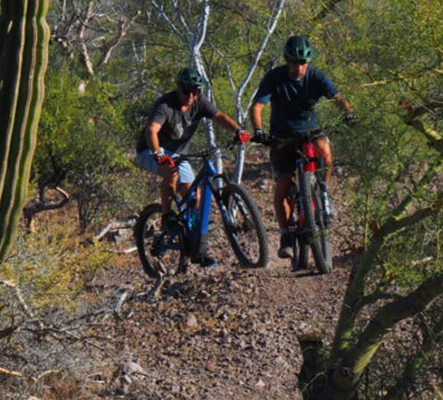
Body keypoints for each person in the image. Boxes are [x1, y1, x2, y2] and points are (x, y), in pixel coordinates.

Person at [247, 35, 355, 261]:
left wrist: (348, 113)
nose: (299, 67)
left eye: (303, 62)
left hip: (310, 131)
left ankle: (323, 192)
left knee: (325, 150)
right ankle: (286, 234)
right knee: (283, 185)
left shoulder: (316, 76)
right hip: (282, 136)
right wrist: (258, 131)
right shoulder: (274, 77)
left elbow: (338, 97)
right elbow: (257, 107)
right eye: (295, 62)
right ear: (287, 60)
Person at [135, 67, 251, 264]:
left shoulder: (199, 101)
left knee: (194, 197)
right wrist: (158, 154)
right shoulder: (165, 105)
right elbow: (151, 131)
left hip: (178, 154)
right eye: (186, 91)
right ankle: (166, 217)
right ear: (178, 89)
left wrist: (238, 130)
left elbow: (219, 117)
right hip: (150, 150)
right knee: (171, 173)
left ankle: (197, 248)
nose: (191, 96)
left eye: (195, 91)